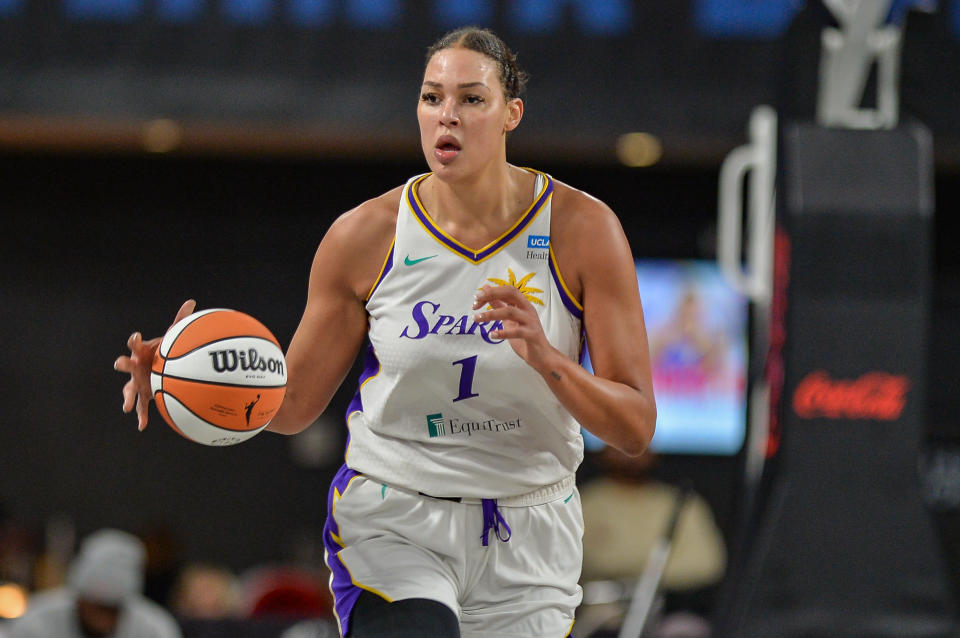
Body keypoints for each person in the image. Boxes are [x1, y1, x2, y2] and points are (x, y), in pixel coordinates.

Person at [115, 26, 656, 638]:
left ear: (512, 114)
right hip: (396, 519)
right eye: (432, 97)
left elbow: (634, 427)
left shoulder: (581, 228)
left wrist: (548, 357)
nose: (447, 115)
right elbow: (291, 406)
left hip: (531, 529)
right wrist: (186, 379)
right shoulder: (365, 235)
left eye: (471, 99)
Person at [9, 529, 182, 638]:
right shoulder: (37, 622)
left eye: (111, 608)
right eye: (96, 604)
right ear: (79, 597)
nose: (102, 618)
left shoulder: (154, 629)